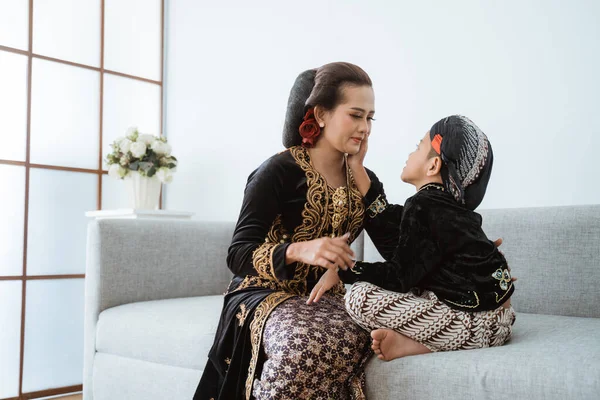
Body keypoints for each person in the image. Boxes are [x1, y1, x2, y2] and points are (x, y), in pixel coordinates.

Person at [194, 62, 397, 399]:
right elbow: (238, 253)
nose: (365, 128)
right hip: (265, 292)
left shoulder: (365, 179)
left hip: (330, 296)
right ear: (320, 114)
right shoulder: (278, 170)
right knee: (300, 344)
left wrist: (361, 176)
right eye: (355, 115)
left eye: (370, 118)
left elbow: (395, 251)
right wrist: (298, 250)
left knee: (360, 332)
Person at [308, 115, 516, 361]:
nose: (410, 153)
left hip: (480, 324)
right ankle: (421, 343)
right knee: (414, 286)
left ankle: (422, 345)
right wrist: (356, 166)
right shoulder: (439, 206)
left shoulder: (425, 205)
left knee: (359, 297)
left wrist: (344, 269)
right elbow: (386, 220)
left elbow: (399, 276)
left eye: (418, 147)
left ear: (432, 166)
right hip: (499, 318)